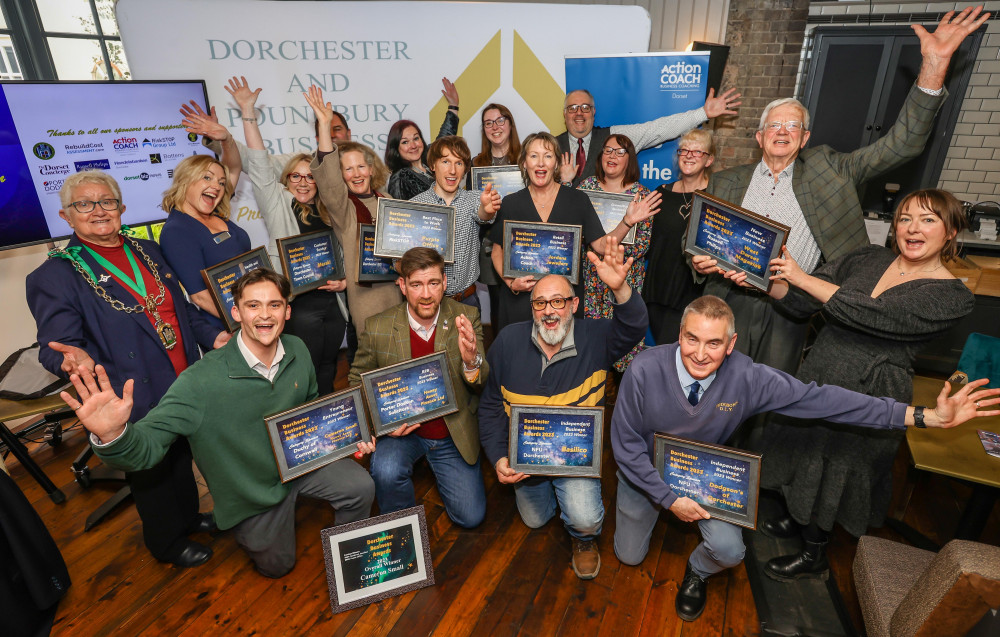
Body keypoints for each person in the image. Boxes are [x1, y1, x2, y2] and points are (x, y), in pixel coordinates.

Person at [610, 295, 1000, 622]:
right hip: (644, 472)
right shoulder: (644, 368)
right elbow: (625, 445)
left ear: (731, 344)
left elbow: (824, 400)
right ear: (679, 335)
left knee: (730, 552)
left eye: (713, 343)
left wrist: (923, 415)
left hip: (707, 473)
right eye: (691, 339)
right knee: (628, 557)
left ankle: (697, 571)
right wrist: (668, 498)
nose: (699, 353)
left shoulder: (748, 377)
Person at [692, 6, 989, 375]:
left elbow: (903, 145)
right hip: (725, 299)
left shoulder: (832, 168)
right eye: (773, 125)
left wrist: (933, 66)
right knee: (710, 383)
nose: (782, 131)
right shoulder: (726, 180)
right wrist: (698, 261)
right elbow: (699, 240)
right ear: (759, 136)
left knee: (771, 398)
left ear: (805, 138)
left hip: (790, 304)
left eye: (792, 126)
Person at [61, 269, 377, 579]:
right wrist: (113, 434)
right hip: (252, 490)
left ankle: (346, 555)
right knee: (278, 566)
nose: (264, 315)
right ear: (236, 312)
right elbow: (147, 448)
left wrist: (345, 437)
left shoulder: (297, 349)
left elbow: (310, 408)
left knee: (360, 486)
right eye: (253, 305)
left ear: (287, 311)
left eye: (274, 305)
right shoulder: (199, 382)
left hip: (301, 465)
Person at [751, 189, 975, 580]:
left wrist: (802, 276)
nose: (912, 228)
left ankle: (815, 551)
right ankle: (796, 516)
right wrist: (764, 283)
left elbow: (878, 316)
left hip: (874, 387)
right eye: (905, 218)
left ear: (951, 231)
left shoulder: (953, 295)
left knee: (839, 465)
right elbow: (805, 299)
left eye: (927, 219)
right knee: (803, 449)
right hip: (822, 368)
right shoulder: (868, 256)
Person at [26, 171, 229, 568]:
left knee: (181, 456)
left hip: (183, 377)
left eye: (106, 201)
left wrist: (213, 336)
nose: (98, 210)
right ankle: (166, 542)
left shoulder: (148, 250)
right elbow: (55, 347)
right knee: (151, 469)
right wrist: (72, 361)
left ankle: (188, 518)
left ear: (122, 208)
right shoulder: (54, 275)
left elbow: (181, 310)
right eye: (84, 204)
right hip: (129, 391)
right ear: (67, 216)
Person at [478, 237, 648, 579]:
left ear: (574, 304)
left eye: (557, 301)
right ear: (532, 308)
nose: (549, 311)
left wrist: (621, 289)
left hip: (574, 457)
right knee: (535, 519)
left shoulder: (597, 337)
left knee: (585, 518)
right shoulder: (508, 342)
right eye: (540, 303)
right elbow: (491, 406)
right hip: (529, 457)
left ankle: (583, 539)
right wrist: (499, 457)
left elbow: (634, 325)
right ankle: (552, 495)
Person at [222, 76, 349, 394]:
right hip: (298, 308)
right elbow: (260, 163)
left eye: (311, 177)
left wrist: (344, 280)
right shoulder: (277, 202)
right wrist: (248, 113)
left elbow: (329, 171)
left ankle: (329, 424)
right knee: (299, 375)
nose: (304, 182)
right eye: (296, 176)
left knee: (328, 368)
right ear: (286, 179)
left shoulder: (329, 208)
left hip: (333, 305)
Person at [350, 247, 488, 527]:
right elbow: (356, 381)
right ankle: (404, 528)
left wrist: (472, 361)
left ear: (445, 283)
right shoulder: (377, 327)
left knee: (471, 517)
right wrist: (380, 424)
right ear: (402, 286)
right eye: (416, 284)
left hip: (451, 430)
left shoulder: (466, 316)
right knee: (386, 471)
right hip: (402, 433)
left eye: (433, 283)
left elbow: (481, 380)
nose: (426, 294)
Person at [488, 132, 657, 333]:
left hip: (563, 306)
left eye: (548, 156)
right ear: (524, 163)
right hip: (521, 303)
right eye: (534, 156)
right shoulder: (510, 203)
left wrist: (627, 221)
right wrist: (511, 283)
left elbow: (602, 246)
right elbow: (497, 251)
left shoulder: (578, 200)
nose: (541, 163)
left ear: (556, 164)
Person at [306, 86, 403, 337]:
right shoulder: (343, 207)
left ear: (371, 169)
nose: (356, 173)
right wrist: (326, 127)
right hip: (365, 300)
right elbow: (328, 181)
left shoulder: (388, 199)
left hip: (397, 291)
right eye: (348, 170)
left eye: (361, 166)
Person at [578, 134, 661, 371]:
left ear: (630, 159)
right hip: (591, 282)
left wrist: (605, 244)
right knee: (591, 352)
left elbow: (642, 244)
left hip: (625, 281)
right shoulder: (586, 188)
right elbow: (577, 235)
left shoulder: (642, 196)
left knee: (625, 350)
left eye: (620, 152)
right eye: (608, 150)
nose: (612, 156)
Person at [557, 87, 740, 187]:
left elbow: (657, 129)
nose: (579, 113)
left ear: (593, 112)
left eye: (585, 107)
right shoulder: (552, 146)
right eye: (572, 108)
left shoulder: (615, 137)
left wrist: (703, 113)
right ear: (564, 114)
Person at [158, 154, 251, 326]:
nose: (216, 186)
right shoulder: (176, 231)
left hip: (251, 312)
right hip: (229, 325)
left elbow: (235, 166)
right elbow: (200, 296)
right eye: (207, 177)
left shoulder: (216, 215)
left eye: (222, 183)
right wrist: (245, 322)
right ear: (185, 180)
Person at [409, 136, 501, 306]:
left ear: (465, 169)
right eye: (445, 162)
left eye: (458, 163)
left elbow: (483, 214)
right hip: (427, 302)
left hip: (468, 301)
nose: (452, 170)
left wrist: (487, 210)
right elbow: (401, 259)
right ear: (433, 165)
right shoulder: (415, 206)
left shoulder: (474, 199)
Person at [644, 129, 715, 344]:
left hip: (693, 294)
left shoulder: (716, 197)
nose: (689, 155)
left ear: (709, 160)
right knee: (665, 352)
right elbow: (647, 240)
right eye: (684, 150)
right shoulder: (660, 192)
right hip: (657, 291)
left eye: (697, 151)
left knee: (679, 354)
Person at [385, 78, 460, 200]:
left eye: (416, 138)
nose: (413, 145)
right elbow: (400, 214)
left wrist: (453, 106)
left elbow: (445, 136)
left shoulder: (429, 161)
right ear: (396, 148)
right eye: (405, 142)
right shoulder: (399, 178)